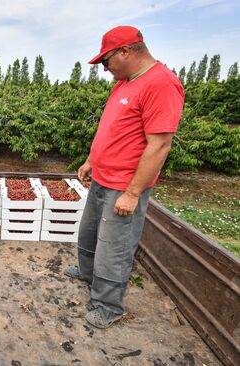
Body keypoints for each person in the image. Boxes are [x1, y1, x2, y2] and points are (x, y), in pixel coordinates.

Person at [64, 26, 184, 329]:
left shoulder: (161, 84)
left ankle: (108, 306)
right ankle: (88, 273)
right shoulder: (124, 82)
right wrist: (93, 159)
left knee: (114, 247)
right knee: (90, 234)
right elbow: (112, 126)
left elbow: (159, 145)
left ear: (126, 52)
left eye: (106, 62)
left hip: (124, 186)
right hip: (103, 178)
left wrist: (132, 193)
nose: (105, 69)